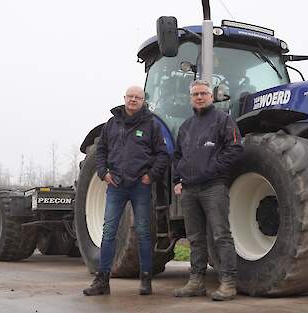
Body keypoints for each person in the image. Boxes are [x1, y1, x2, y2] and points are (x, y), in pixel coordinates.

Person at [83, 86, 169, 296]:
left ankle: (146, 279)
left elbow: (163, 154)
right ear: (124, 99)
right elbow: (101, 150)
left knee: (143, 233)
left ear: (143, 101)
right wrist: (103, 173)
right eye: (130, 96)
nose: (133, 100)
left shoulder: (151, 125)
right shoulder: (112, 124)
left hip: (140, 186)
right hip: (116, 186)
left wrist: (150, 176)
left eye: (138, 97)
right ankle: (102, 281)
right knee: (109, 232)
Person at [173, 79, 243, 301]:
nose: (200, 97)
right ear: (190, 98)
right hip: (189, 190)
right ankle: (196, 282)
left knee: (221, 235)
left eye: (203, 93)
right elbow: (177, 156)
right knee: (195, 238)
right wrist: (178, 179)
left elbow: (235, 149)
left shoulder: (224, 121)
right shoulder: (185, 127)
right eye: (195, 94)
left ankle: (228, 283)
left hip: (214, 187)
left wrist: (212, 170)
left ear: (212, 97)